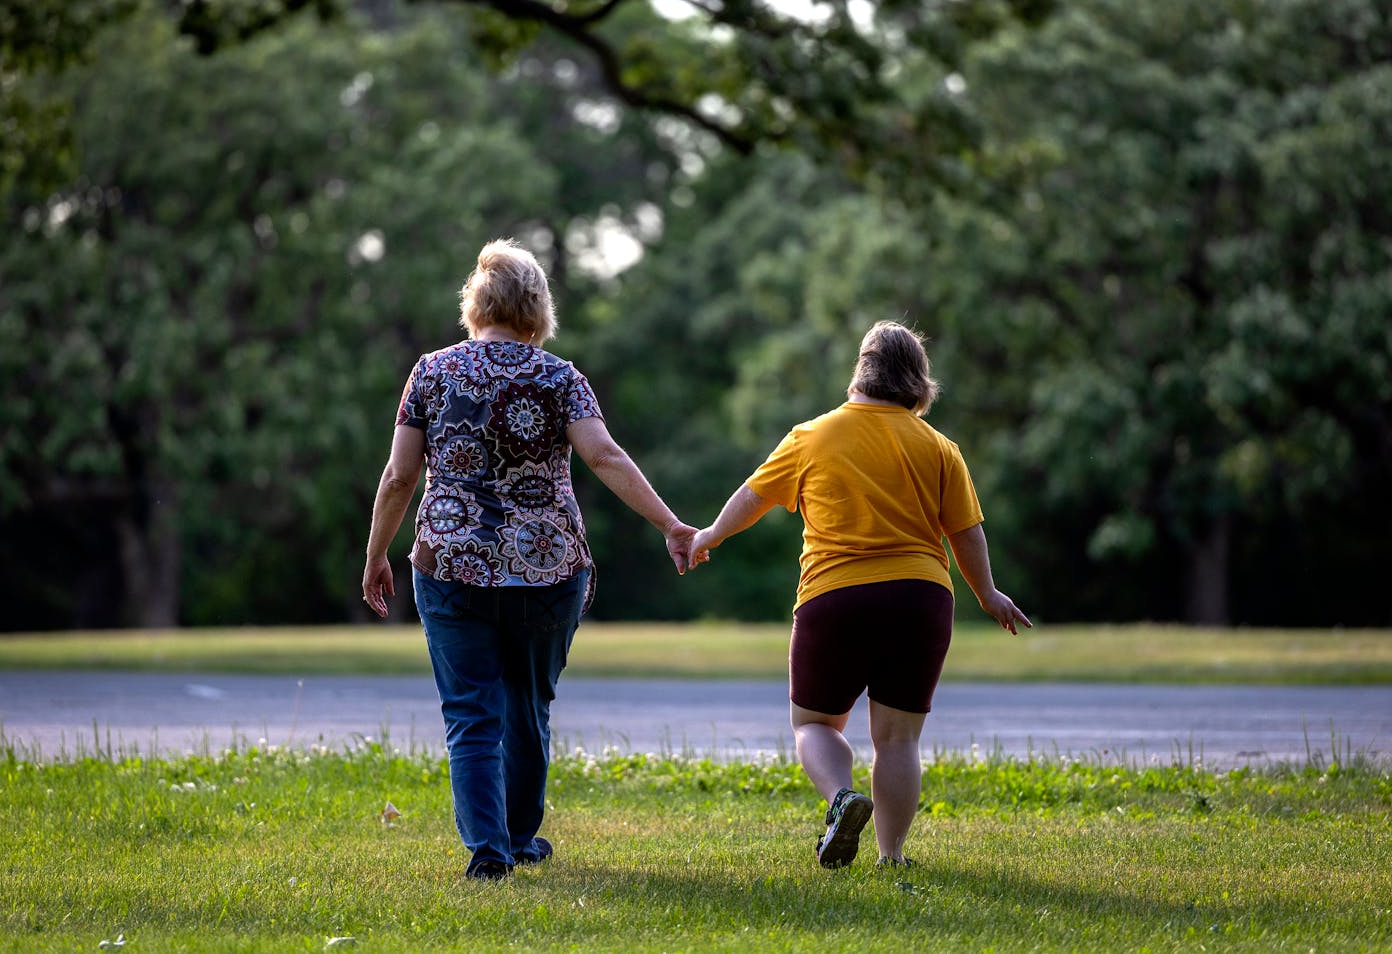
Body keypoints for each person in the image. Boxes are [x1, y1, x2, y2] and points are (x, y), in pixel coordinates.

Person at [362, 239, 695, 880]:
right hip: (548, 567)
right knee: (528, 705)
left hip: (452, 564)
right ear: (537, 309)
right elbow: (605, 458)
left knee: (471, 713)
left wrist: (377, 554)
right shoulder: (561, 377)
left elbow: (401, 477)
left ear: (475, 304)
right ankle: (519, 838)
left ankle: (489, 853)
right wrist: (671, 524)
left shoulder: (430, 373)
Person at [687, 320, 1030, 869]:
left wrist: (708, 536)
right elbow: (966, 532)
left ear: (859, 374)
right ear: (918, 382)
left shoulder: (811, 435)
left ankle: (842, 798)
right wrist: (987, 594)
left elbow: (752, 497)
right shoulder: (940, 448)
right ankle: (891, 856)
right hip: (921, 599)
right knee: (897, 739)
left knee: (814, 725)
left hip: (835, 597)